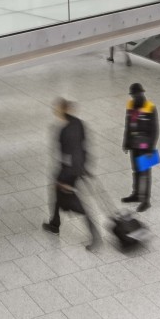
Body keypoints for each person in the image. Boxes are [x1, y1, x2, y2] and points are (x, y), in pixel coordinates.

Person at [43, 98, 100, 250]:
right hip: (78, 167)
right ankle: (54, 223)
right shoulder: (79, 123)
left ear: (63, 110)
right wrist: (85, 167)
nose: (55, 111)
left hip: (68, 172)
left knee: (73, 203)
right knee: (55, 194)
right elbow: (84, 146)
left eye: (57, 108)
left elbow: (68, 155)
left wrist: (64, 180)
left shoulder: (64, 130)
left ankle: (95, 234)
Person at [121, 83, 158, 211]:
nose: (133, 97)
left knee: (145, 173)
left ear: (141, 93)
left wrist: (151, 149)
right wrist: (126, 142)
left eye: (135, 95)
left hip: (146, 146)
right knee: (136, 170)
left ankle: (146, 200)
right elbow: (128, 125)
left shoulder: (150, 107)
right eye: (132, 95)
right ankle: (136, 194)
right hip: (134, 144)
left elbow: (154, 130)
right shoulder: (130, 105)